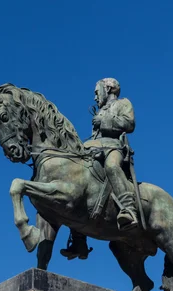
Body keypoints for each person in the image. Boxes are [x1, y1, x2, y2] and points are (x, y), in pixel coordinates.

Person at [60, 77, 137, 260]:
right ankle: (79, 241)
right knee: (76, 180)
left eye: (97, 92)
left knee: (111, 167)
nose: (95, 97)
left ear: (108, 88)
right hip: (95, 147)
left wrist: (103, 122)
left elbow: (129, 124)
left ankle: (128, 208)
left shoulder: (123, 103)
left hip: (114, 148)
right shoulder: (100, 110)